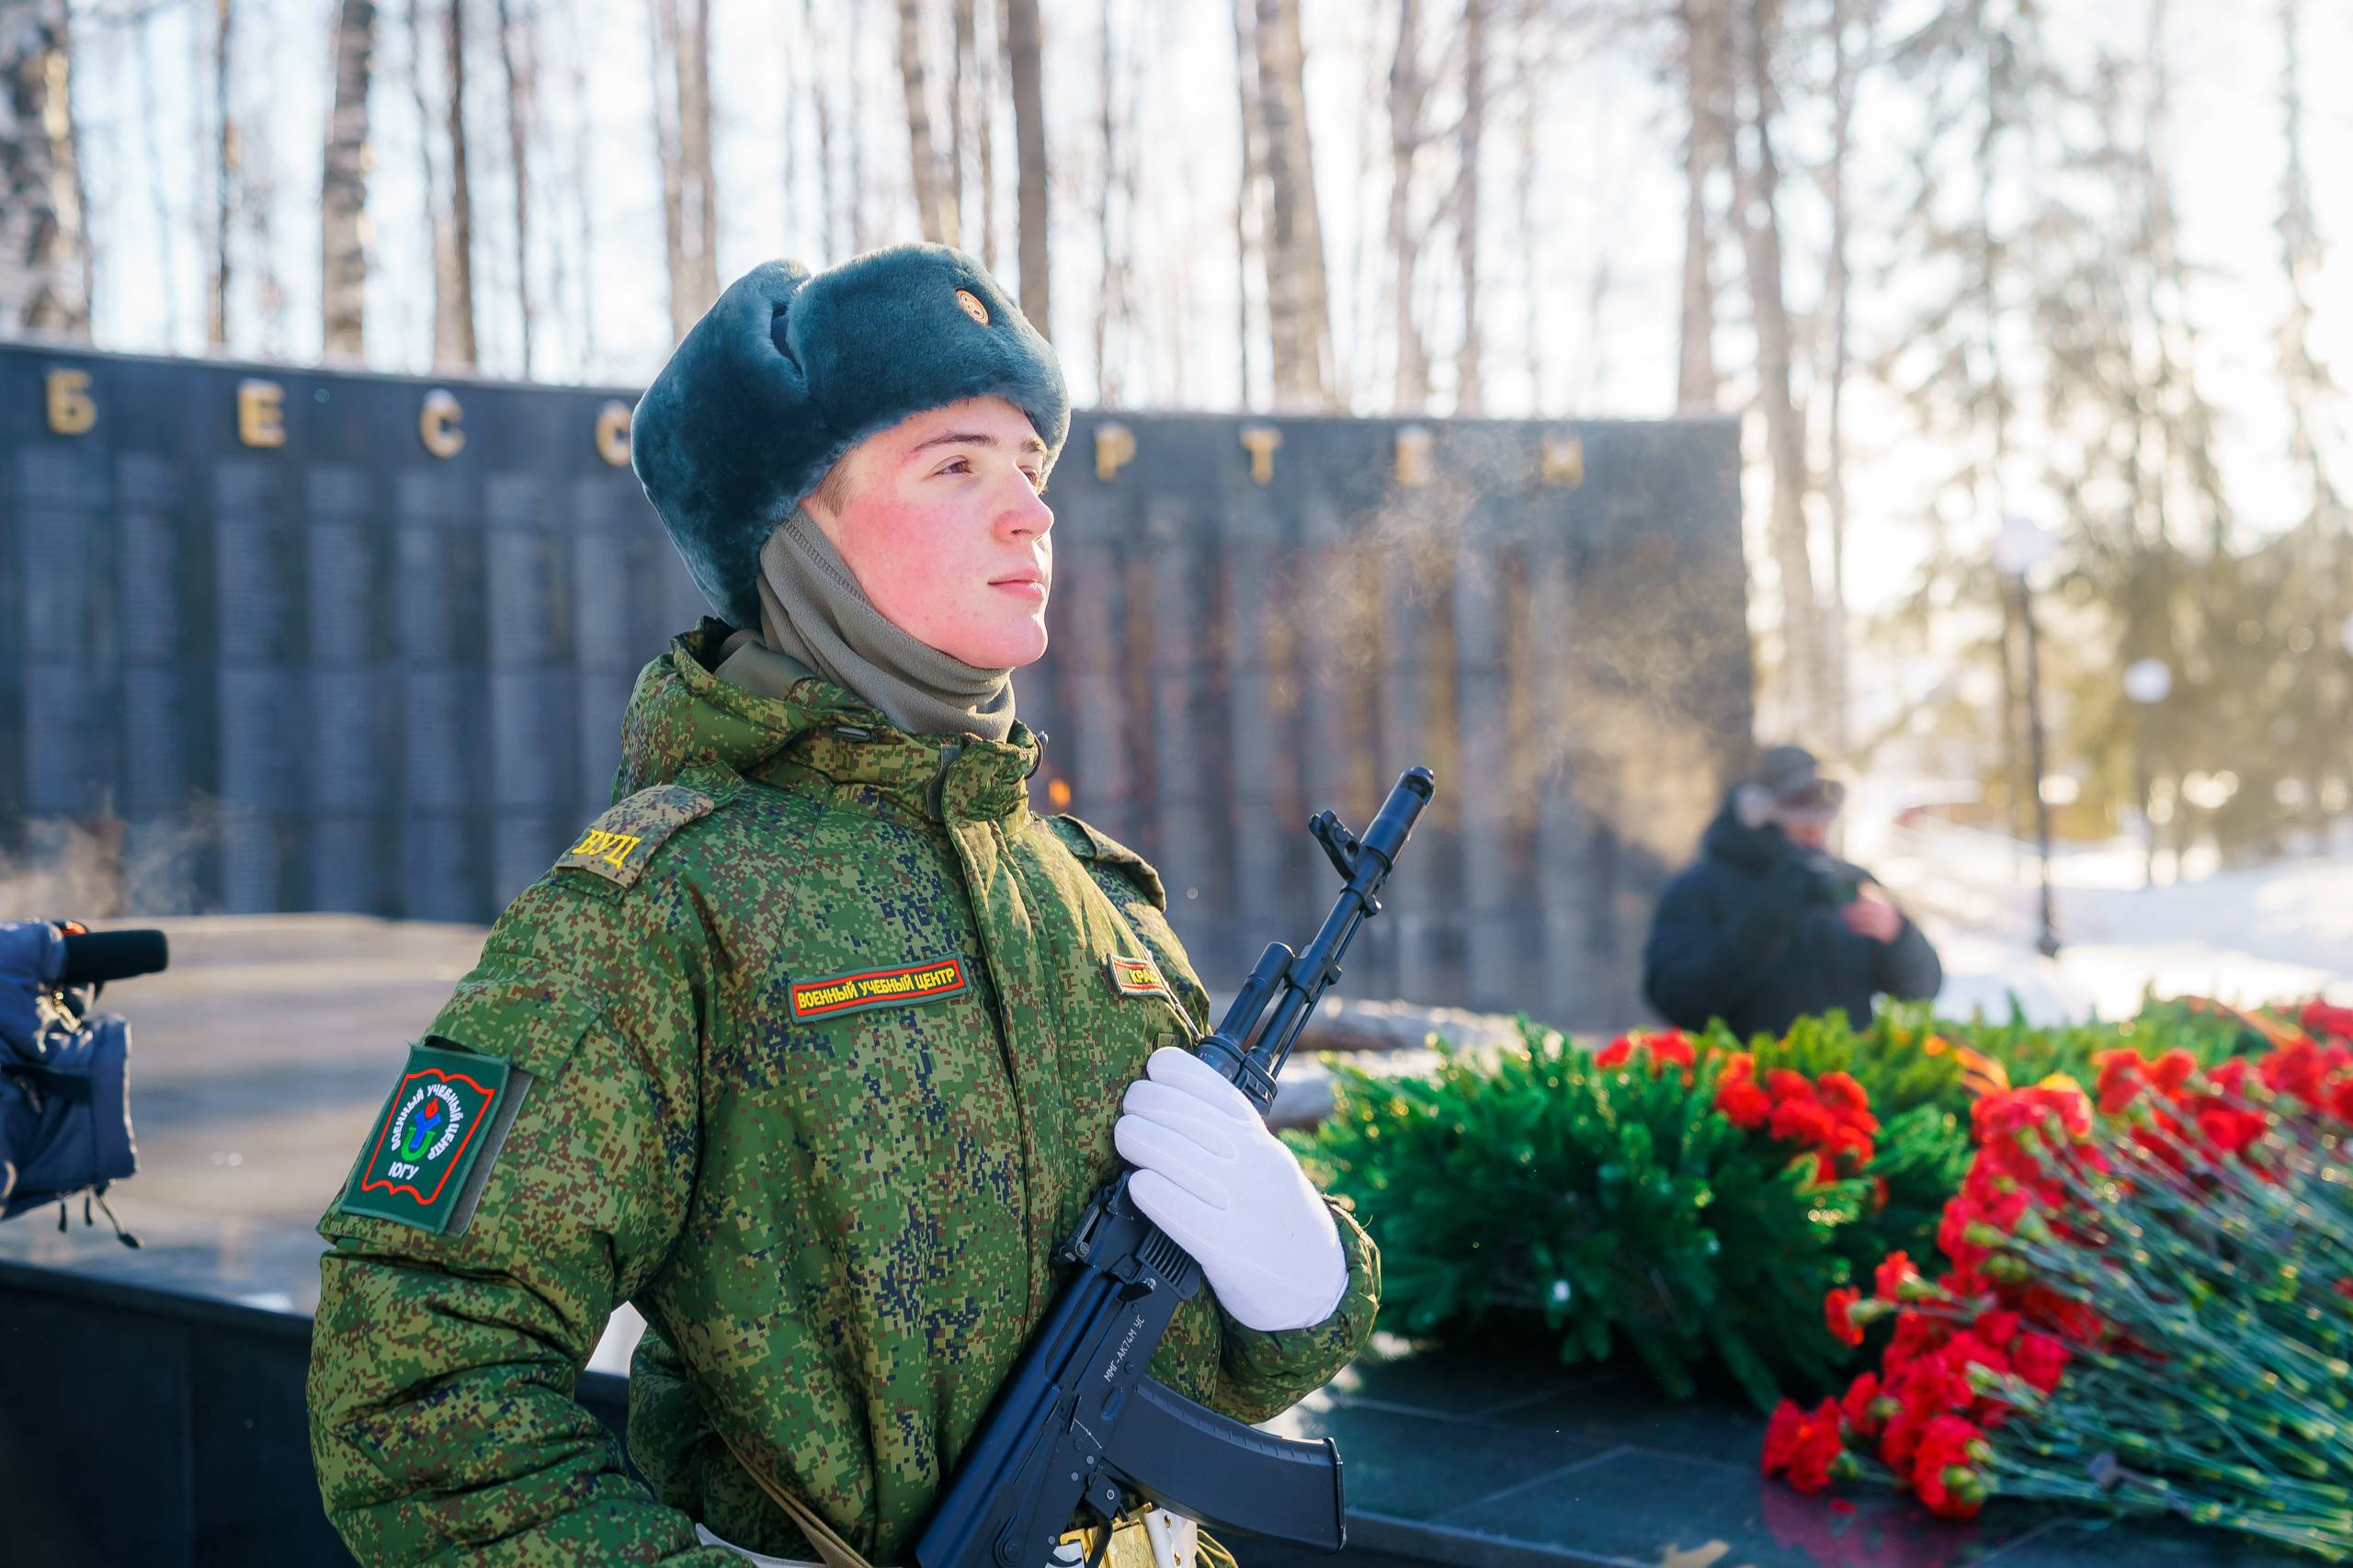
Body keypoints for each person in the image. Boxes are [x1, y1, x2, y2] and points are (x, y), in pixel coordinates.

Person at [305, 244, 1379, 1567]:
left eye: (1030, 466)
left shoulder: (1089, 894)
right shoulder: (669, 908)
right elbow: (414, 1388)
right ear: (794, 525)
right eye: (955, 464)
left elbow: (1175, 1388)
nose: (1031, 512)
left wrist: (1301, 1281)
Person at [1641, 744, 1941, 1041]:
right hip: (1745, 1083)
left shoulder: (1850, 881)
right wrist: (1763, 925)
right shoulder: (1701, 887)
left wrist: (1897, 936)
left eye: (1823, 811)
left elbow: (1923, 989)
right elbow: (1676, 1000)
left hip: (1847, 1082)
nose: (1814, 828)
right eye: (1798, 811)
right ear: (1756, 811)